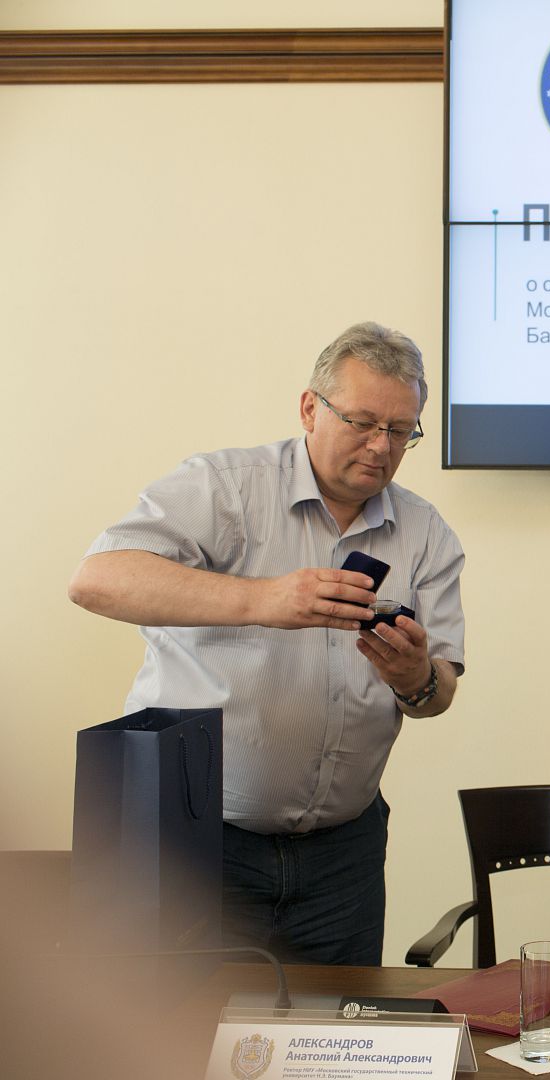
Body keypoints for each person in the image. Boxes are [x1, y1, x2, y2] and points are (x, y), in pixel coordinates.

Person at [68, 322, 465, 966]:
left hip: (345, 854)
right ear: (310, 408)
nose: (381, 446)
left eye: (400, 430)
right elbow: (97, 580)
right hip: (201, 845)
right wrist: (264, 601)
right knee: (188, 1023)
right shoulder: (225, 487)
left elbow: (437, 695)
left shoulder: (425, 532)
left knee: (339, 1026)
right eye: (363, 422)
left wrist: (415, 676)